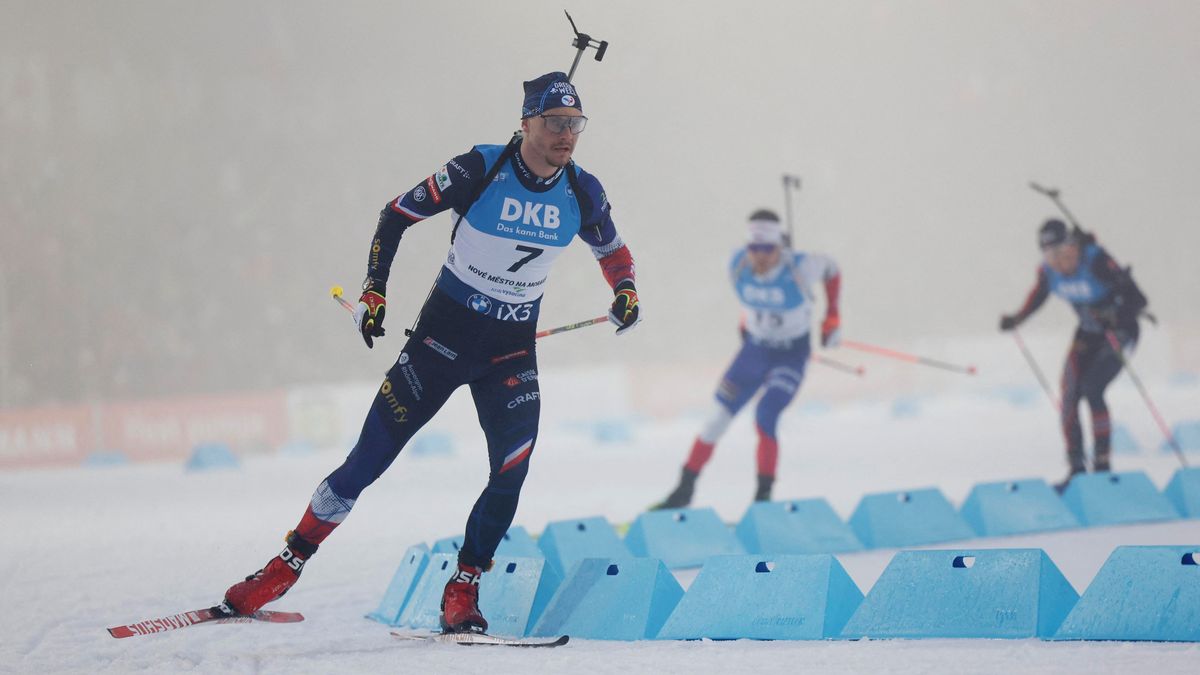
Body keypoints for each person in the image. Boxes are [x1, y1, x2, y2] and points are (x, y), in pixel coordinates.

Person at [218, 72, 641, 634]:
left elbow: (613, 251)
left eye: (575, 124)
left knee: (512, 472)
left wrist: (626, 290)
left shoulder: (583, 190)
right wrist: (375, 289)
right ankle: (284, 566)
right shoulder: (478, 168)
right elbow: (395, 215)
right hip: (439, 345)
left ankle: (464, 587)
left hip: (509, 356)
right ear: (526, 123)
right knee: (365, 464)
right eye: (555, 123)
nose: (567, 135)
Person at [653, 209, 840, 509]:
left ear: (779, 246)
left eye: (768, 249)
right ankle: (683, 491)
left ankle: (762, 500)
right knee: (715, 420)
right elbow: (751, 303)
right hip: (754, 352)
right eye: (755, 248)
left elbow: (833, 269)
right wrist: (746, 325)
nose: (761, 256)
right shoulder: (736, 263)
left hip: (790, 356)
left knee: (765, 416)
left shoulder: (801, 267)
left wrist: (832, 317)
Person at [999, 218, 1148, 491]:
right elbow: (1037, 298)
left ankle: (1103, 467)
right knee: (1068, 394)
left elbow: (1139, 301)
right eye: (1049, 255)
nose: (1057, 261)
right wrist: (1016, 319)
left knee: (1093, 388)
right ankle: (1077, 470)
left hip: (1121, 331)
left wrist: (1114, 311)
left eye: (1061, 252)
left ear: (1073, 246)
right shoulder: (1048, 273)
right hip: (1089, 334)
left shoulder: (1096, 261)